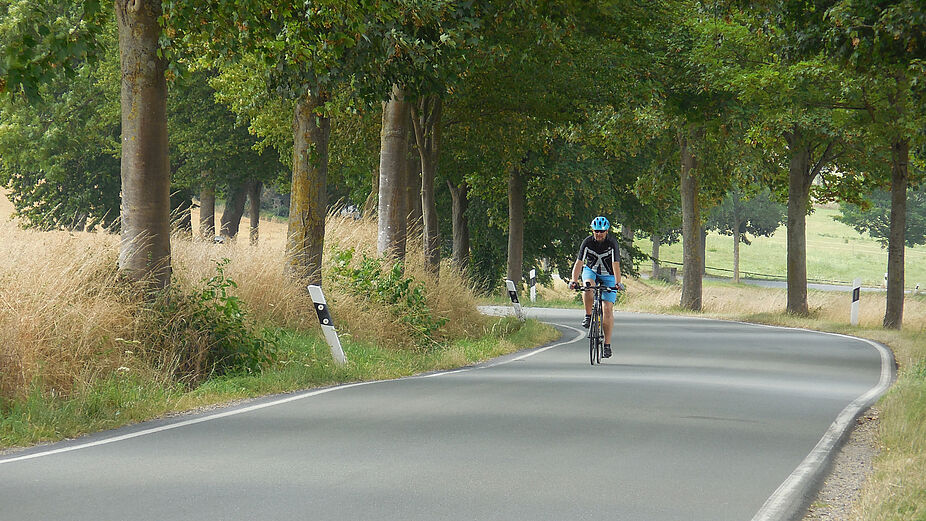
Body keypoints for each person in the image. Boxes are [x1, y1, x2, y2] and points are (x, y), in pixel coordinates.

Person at [569, 216, 624, 358]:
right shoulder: (587, 242)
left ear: (607, 231)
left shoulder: (612, 243)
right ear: (592, 230)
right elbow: (579, 262)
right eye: (596, 231)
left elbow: (615, 264)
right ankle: (588, 316)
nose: (599, 234)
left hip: (609, 275)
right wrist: (574, 280)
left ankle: (607, 345)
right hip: (591, 271)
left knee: (607, 308)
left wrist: (618, 283)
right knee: (588, 286)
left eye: (602, 231)